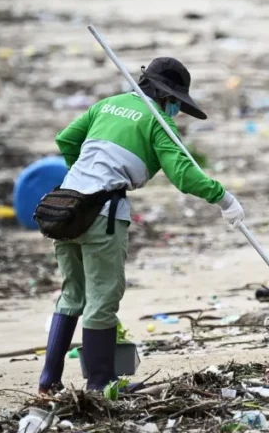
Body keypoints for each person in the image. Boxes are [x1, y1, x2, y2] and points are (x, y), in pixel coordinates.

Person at [39, 57, 244, 395]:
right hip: (103, 214)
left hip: (65, 205)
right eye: (177, 102)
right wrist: (223, 199)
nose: (177, 109)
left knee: (72, 294)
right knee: (102, 298)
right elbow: (183, 176)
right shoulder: (160, 123)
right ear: (169, 96)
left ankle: (49, 381)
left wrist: (84, 176)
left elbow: (66, 140)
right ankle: (99, 383)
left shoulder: (107, 105)